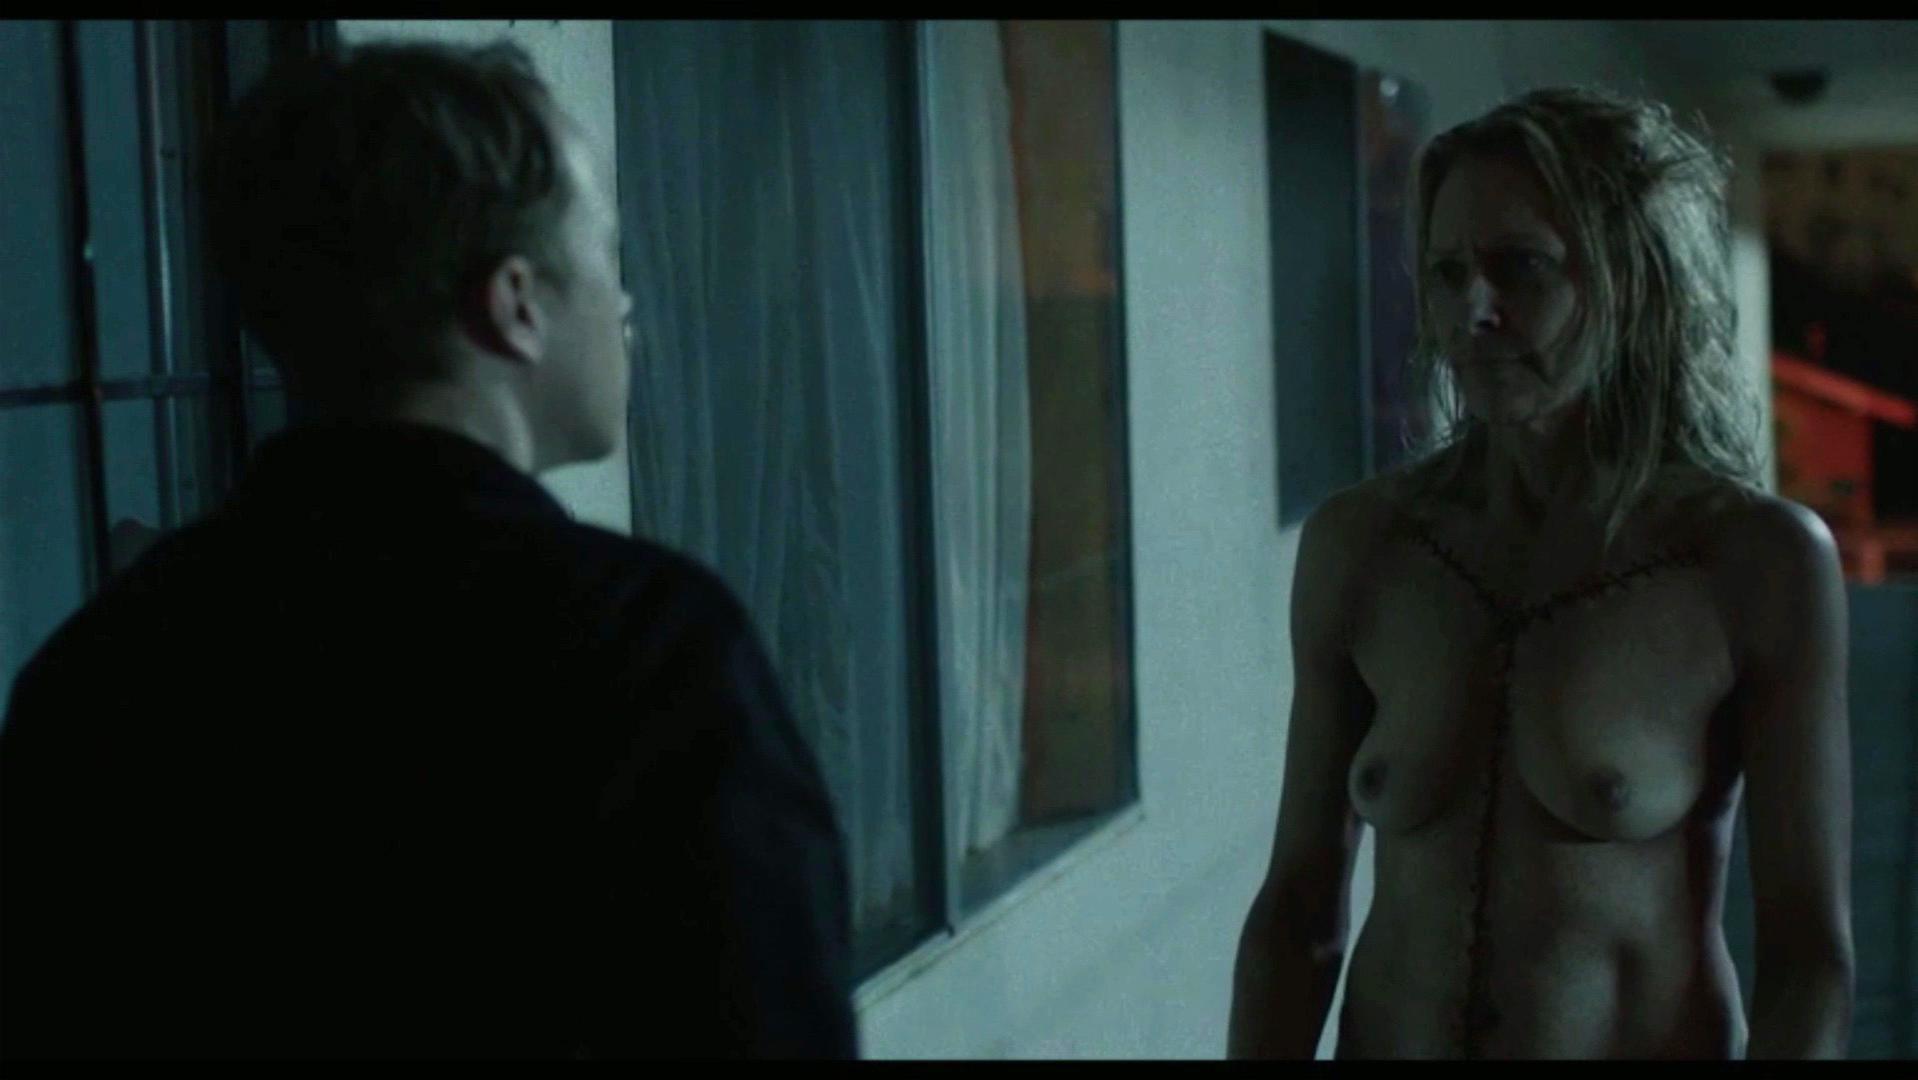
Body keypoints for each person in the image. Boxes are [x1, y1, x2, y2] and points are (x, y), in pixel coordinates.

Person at [1, 40, 857, 1060]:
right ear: (517, 304)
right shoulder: (647, 654)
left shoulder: (99, 674)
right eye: (608, 257)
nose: (627, 306)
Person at [1227, 87, 1853, 1060]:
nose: (1471, 311)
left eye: (1520, 267)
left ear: (1630, 279)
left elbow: (1807, 959)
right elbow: (1297, 911)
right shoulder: (1366, 546)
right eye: (1446, 273)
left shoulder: (1750, 562)